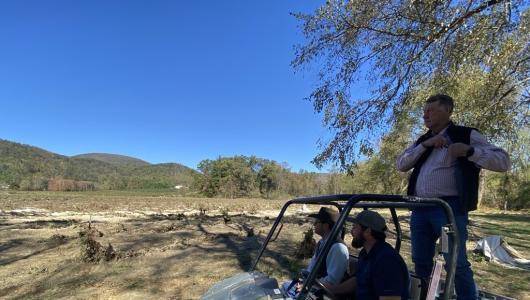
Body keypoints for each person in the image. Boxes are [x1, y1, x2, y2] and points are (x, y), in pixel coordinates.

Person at [396, 94, 511, 300]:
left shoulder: (466, 135)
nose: (425, 114)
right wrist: (426, 145)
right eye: (424, 110)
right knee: (420, 260)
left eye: (431, 110)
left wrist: (470, 151)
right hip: (420, 209)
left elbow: (503, 161)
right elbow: (401, 164)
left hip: (448, 209)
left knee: (455, 262)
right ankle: (424, 296)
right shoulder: (423, 140)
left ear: (448, 110)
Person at [325, 210, 410, 300]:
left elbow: (390, 298)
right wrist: (332, 289)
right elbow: (358, 280)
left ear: (368, 231)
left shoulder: (387, 261)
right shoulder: (365, 253)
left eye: (355, 227)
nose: (351, 232)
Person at [282, 207, 349, 298]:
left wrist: (308, 286)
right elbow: (312, 267)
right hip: (314, 285)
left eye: (317, 222)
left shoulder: (338, 248)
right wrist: (304, 282)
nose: (314, 224)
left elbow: (332, 281)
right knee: (285, 286)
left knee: (289, 295)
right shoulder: (322, 243)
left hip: (324, 293)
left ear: (325, 225)